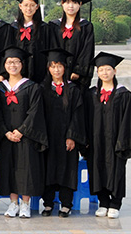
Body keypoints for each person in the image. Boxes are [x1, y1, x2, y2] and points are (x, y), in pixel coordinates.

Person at [0, 47, 48, 219]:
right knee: (9, 168)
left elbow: (35, 112)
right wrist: (5, 132)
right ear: (5, 65)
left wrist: (21, 131)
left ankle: (25, 204)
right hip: (6, 136)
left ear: (22, 65)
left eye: (16, 62)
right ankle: (13, 203)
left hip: (26, 136)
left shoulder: (32, 87)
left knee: (26, 169)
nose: (13, 65)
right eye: (9, 62)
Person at [87, 52, 131, 219]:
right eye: (101, 69)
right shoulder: (91, 94)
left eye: (108, 69)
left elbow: (128, 120)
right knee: (97, 169)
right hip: (97, 141)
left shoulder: (124, 95)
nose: (105, 73)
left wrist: (123, 141)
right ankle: (103, 202)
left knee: (116, 170)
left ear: (114, 71)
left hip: (116, 141)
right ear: (97, 72)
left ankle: (115, 203)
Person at [40, 48, 86, 218]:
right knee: (48, 168)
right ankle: (48, 203)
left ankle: (66, 204)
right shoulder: (42, 89)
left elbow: (77, 114)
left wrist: (72, 136)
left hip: (66, 137)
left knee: (67, 169)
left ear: (65, 68)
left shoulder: (73, 90)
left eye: (59, 66)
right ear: (48, 68)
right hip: (48, 136)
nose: (56, 70)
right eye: (53, 66)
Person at [50, 0, 95, 90]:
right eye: (67, 2)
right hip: (56, 74)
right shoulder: (53, 26)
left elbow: (87, 50)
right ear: (62, 3)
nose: (71, 6)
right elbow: (52, 47)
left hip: (77, 77)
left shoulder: (86, 26)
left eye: (74, 2)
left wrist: (78, 70)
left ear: (80, 4)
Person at [10, 0, 50, 84]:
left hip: (39, 72)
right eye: (26, 5)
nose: (29, 8)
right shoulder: (12, 28)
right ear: (20, 6)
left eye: (32, 5)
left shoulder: (44, 28)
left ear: (37, 7)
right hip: (17, 72)